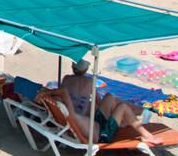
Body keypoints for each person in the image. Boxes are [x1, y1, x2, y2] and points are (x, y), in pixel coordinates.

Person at [37, 59, 165, 145]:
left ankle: (126, 119)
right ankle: (146, 134)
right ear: (85, 70)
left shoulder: (65, 87)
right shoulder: (88, 82)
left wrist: (46, 92)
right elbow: (97, 101)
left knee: (109, 97)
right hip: (102, 133)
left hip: (91, 123)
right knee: (122, 106)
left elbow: (63, 92)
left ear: (73, 68)